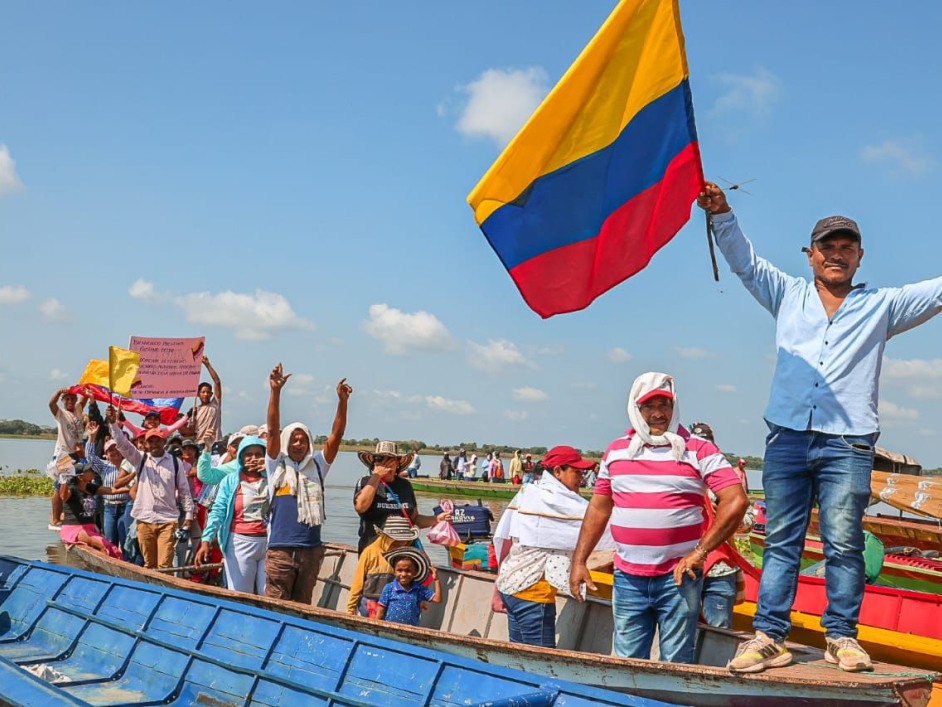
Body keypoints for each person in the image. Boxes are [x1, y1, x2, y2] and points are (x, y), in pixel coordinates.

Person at [699, 182, 942, 672]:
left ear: (859, 257)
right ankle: (769, 635)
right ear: (810, 256)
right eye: (827, 248)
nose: (836, 255)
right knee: (783, 538)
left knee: (844, 541)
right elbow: (745, 262)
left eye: (845, 248)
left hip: (848, 443)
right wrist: (722, 213)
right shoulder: (787, 294)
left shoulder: (882, 305)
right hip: (787, 436)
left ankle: (842, 637)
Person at [570, 373, 748, 664]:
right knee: (627, 661)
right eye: (648, 406)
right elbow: (599, 508)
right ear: (635, 410)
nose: (657, 413)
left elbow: (736, 499)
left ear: (674, 407)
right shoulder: (616, 452)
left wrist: (700, 552)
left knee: (676, 661)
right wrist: (579, 561)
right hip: (628, 577)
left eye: (664, 404)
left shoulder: (698, 449)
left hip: (679, 577)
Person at [495, 446, 613, 648]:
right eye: (576, 472)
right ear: (557, 471)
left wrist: (496, 587)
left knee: (519, 656)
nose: (581, 478)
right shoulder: (566, 504)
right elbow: (608, 529)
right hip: (533, 596)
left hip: (510, 586)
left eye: (582, 473)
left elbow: (504, 539)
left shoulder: (528, 492)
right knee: (543, 661)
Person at [264, 363, 351, 603]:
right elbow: (272, 431)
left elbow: (336, 437)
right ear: (285, 443)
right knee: (275, 605)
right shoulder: (276, 466)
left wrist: (342, 402)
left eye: (303, 440)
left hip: (310, 550)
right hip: (280, 549)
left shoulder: (317, 467)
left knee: (303, 606)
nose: (299, 444)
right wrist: (275, 391)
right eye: (294, 439)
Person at [107, 405, 195, 569]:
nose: (154, 444)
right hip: (144, 519)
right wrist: (113, 424)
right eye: (150, 441)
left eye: (157, 441)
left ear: (164, 441)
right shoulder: (140, 459)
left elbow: (184, 492)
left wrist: (188, 518)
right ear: (146, 444)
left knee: (164, 565)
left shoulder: (176, 463)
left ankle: (166, 593)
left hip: (167, 521)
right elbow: (122, 444)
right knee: (149, 565)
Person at [689, 421, 754, 630]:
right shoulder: (681, 480)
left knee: (718, 631)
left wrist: (727, 519)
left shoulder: (727, 483)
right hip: (685, 565)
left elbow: (748, 521)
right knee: (680, 628)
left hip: (719, 568)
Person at [196, 436, 269, 594]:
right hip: (240, 543)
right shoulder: (231, 480)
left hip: (269, 544)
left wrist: (269, 466)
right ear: (241, 456)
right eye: (248, 454)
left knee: (268, 594)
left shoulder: (274, 478)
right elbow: (218, 511)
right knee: (241, 594)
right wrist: (206, 539)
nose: (253, 458)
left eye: (258, 454)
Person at [353, 441, 451, 553]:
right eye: (381, 459)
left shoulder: (405, 485)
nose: (386, 463)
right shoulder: (366, 482)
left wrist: (436, 519)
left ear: (397, 463)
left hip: (403, 551)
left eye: (390, 459)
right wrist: (377, 476)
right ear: (374, 462)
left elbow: (414, 519)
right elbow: (360, 507)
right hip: (373, 550)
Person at [347, 515, 418, 617]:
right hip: (370, 604)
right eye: (396, 543)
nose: (401, 546)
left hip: (395, 604)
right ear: (386, 538)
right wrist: (350, 609)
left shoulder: (406, 555)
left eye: (405, 542)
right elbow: (357, 584)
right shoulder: (370, 552)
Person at [58, 462, 129, 558]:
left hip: (89, 528)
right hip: (74, 529)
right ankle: (104, 569)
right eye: (88, 471)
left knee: (112, 548)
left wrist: (134, 488)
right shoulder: (72, 489)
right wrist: (64, 480)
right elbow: (63, 496)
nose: (92, 472)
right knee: (103, 546)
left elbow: (112, 491)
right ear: (80, 477)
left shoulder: (89, 487)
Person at [83, 422, 135, 551]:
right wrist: (92, 437)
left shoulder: (130, 465)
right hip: (109, 508)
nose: (114, 452)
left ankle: (127, 565)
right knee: (110, 540)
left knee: (125, 540)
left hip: (126, 506)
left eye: (116, 448)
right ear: (106, 454)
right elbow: (90, 457)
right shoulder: (105, 466)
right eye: (110, 450)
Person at [48, 386, 90, 527]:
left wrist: (87, 386)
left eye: (73, 398)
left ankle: (70, 514)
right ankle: (55, 519)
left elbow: (85, 397)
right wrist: (60, 391)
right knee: (59, 486)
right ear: (63, 401)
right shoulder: (61, 413)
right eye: (67, 399)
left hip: (76, 453)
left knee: (74, 485)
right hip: (63, 454)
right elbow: (51, 404)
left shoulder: (78, 409)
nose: (70, 401)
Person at [376, 546, 441, 626]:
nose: (403, 574)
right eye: (399, 571)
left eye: (408, 571)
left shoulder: (419, 589)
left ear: (415, 572)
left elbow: (437, 599)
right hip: (390, 628)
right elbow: (380, 611)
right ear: (394, 572)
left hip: (410, 631)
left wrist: (436, 580)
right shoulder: (389, 588)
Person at [184, 354, 224, 445]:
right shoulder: (195, 410)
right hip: (200, 443)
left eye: (208, 392)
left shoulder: (215, 404)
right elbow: (190, 431)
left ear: (211, 394)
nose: (205, 394)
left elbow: (217, 382)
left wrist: (207, 365)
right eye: (203, 392)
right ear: (198, 394)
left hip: (215, 442)